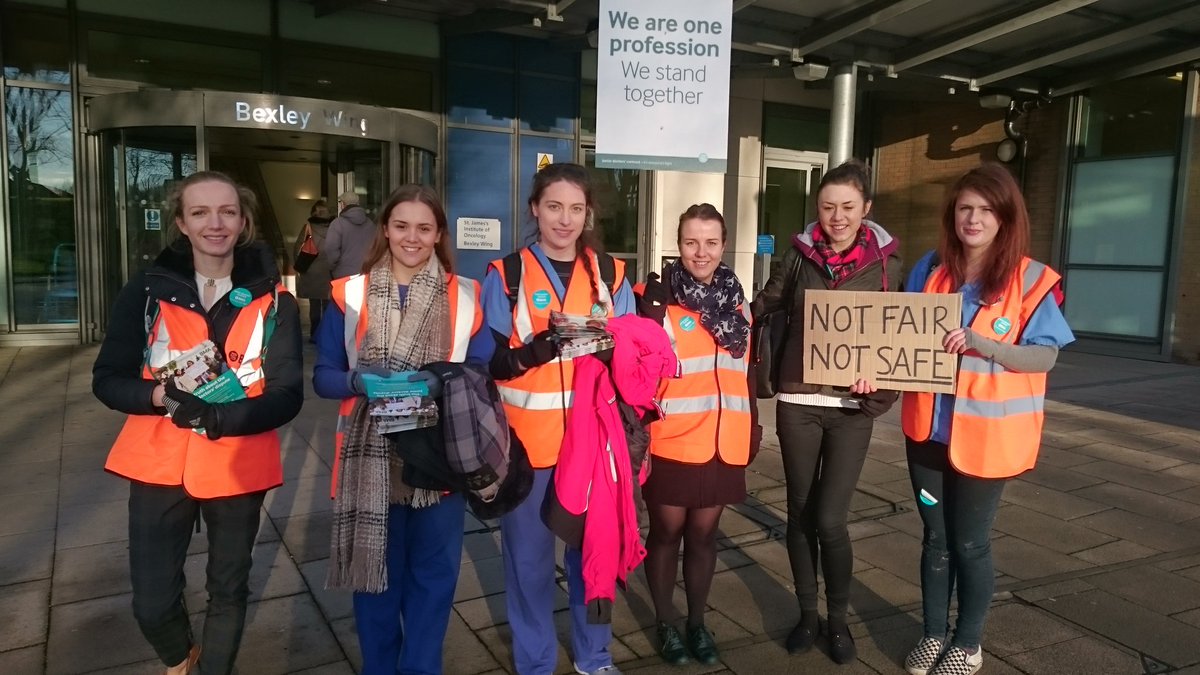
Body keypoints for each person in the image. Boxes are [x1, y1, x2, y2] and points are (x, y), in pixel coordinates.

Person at [92, 170, 303, 675]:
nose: (216, 223)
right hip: (158, 462)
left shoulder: (276, 302)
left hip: (237, 462)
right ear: (182, 224)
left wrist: (221, 416)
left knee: (228, 589)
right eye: (200, 212)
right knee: (151, 601)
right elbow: (107, 379)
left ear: (243, 221)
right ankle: (180, 656)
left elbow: (287, 394)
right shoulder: (145, 293)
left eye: (227, 212)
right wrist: (159, 394)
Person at [901, 164, 1073, 675]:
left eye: (984, 209)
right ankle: (933, 634)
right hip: (928, 433)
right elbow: (898, 337)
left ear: (1005, 217)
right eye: (964, 208)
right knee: (934, 539)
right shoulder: (929, 269)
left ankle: (968, 643)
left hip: (988, 440)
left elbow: (1045, 358)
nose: (972, 219)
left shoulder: (1032, 279)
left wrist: (988, 346)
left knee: (969, 542)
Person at [312, 184, 489, 675]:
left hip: (438, 460)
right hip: (370, 464)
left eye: (424, 228)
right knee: (376, 584)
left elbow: (482, 368)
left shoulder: (467, 296)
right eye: (401, 225)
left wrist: (440, 378)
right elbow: (322, 376)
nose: (412, 237)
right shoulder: (350, 294)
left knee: (433, 584)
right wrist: (357, 380)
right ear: (385, 229)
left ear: (438, 235)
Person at [479, 162, 636, 675]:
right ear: (534, 210)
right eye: (553, 207)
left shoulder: (611, 274)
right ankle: (537, 664)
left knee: (596, 561)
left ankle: (595, 657)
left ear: (587, 212)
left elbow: (633, 357)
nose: (564, 220)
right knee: (528, 568)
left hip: (595, 449)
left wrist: (616, 353)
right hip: (529, 449)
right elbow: (491, 362)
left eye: (575, 208)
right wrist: (537, 350)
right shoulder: (507, 276)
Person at [750, 159, 903, 664]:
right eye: (828, 206)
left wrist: (882, 381)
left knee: (832, 519)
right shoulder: (797, 255)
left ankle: (838, 622)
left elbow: (898, 333)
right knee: (799, 511)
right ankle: (807, 614)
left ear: (866, 210)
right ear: (817, 208)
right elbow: (765, 306)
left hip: (850, 408)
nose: (837, 217)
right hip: (799, 402)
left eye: (848, 207)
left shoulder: (886, 263)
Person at [635, 204, 761, 666]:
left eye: (710, 242)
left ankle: (696, 622)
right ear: (678, 244)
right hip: (672, 440)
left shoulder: (738, 301)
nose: (700, 252)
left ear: (723, 245)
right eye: (691, 242)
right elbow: (638, 374)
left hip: (723, 441)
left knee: (705, 537)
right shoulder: (659, 298)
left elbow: (745, 369)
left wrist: (753, 425)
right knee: (667, 533)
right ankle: (666, 622)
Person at [292, 198, 333, 339]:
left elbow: (298, 247)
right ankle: (327, 335)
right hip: (328, 270)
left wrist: (298, 265)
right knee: (328, 305)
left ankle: (315, 335)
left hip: (311, 270)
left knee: (314, 306)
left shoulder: (308, 227)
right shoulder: (334, 227)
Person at [325, 190, 377, 280]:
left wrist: (332, 268)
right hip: (366, 274)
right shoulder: (370, 224)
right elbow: (376, 248)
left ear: (343, 204)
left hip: (343, 276)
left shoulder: (337, 224)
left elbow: (331, 251)